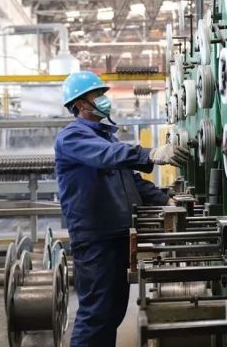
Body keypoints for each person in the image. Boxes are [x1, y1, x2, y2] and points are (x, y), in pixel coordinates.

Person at [54, 71, 190, 347]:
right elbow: (107, 157)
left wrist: (166, 201)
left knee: (113, 311)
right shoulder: (72, 137)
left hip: (116, 235)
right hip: (94, 238)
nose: (104, 100)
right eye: (97, 95)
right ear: (80, 104)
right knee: (95, 314)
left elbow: (132, 180)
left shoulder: (107, 139)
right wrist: (149, 153)